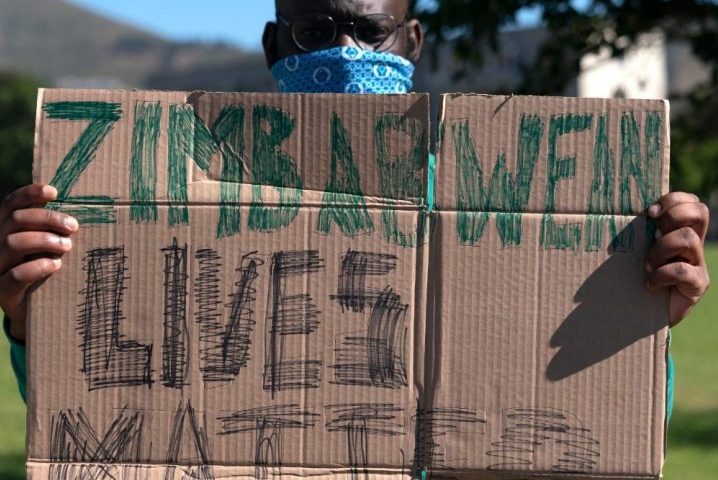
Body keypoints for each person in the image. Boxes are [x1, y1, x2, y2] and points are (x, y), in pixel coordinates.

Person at [0, 0, 710, 409]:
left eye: (370, 31)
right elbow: (115, 410)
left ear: (412, 41)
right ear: (275, 44)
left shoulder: (494, 205)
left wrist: (639, 318)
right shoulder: (188, 196)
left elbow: (585, 417)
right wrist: (40, 321)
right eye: (315, 31)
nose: (344, 51)